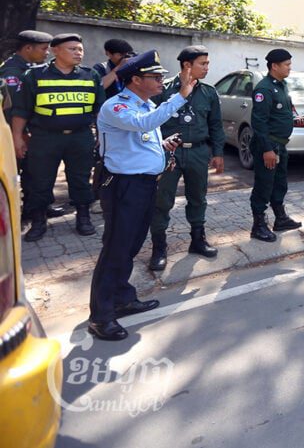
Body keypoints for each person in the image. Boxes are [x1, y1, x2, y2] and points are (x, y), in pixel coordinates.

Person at [88, 50, 195, 341]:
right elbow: (142, 125)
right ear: (135, 80)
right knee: (116, 249)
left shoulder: (145, 105)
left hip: (144, 185)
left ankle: (122, 298)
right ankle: (100, 316)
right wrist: (181, 96)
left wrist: (163, 146)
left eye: (161, 76)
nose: (161, 81)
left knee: (131, 246)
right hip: (123, 186)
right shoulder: (117, 106)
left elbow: (141, 138)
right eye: (155, 77)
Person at [11, 34, 104, 241]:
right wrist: (18, 137)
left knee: (81, 179)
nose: (78, 53)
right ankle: (38, 221)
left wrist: (101, 134)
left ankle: (83, 218)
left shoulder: (90, 75)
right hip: (44, 138)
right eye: (72, 49)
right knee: (40, 181)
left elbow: (99, 110)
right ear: (56, 51)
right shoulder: (34, 75)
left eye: (80, 49)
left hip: (80, 137)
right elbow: (21, 110)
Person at [147, 46, 225, 271]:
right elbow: (151, 121)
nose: (207, 68)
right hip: (168, 153)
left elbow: (216, 125)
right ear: (187, 65)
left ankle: (198, 240)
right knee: (162, 200)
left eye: (208, 63)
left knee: (198, 197)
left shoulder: (209, 92)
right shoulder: (163, 89)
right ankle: (159, 247)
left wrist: (218, 153)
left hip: (198, 152)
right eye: (203, 63)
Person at [248, 48, 304, 242]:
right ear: (274, 66)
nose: (290, 68)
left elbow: (281, 112)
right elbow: (259, 122)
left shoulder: (282, 85)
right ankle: (258, 226)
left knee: (279, 183)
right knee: (264, 185)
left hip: (280, 145)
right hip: (268, 145)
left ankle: (280, 219)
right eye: (287, 64)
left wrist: (295, 119)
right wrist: (267, 150)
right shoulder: (264, 89)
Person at [2, 30, 52, 122]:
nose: (47, 52)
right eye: (44, 49)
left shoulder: (30, 67)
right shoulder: (13, 73)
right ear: (28, 48)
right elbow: (10, 106)